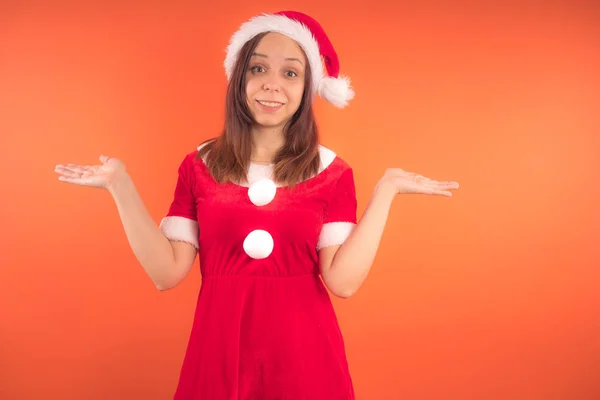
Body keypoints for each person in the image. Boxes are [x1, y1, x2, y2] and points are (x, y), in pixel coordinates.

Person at [54, 10, 459, 400]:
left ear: (306, 89)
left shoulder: (331, 172)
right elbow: (166, 272)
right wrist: (119, 186)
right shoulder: (200, 166)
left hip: (306, 361)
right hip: (218, 355)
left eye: (290, 73)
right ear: (239, 77)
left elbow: (343, 282)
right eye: (258, 68)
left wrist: (386, 190)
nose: (271, 84)